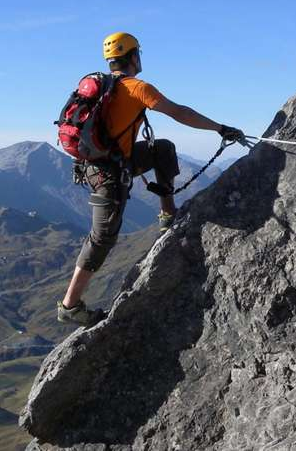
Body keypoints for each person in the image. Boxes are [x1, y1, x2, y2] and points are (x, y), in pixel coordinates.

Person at [58, 32, 246, 326]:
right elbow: (179, 112)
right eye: (138, 54)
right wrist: (220, 128)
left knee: (162, 149)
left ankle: (168, 214)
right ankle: (70, 306)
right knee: (103, 237)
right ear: (133, 57)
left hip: (102, 162)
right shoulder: (137, 87)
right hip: (108, 172)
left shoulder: (101, 86)